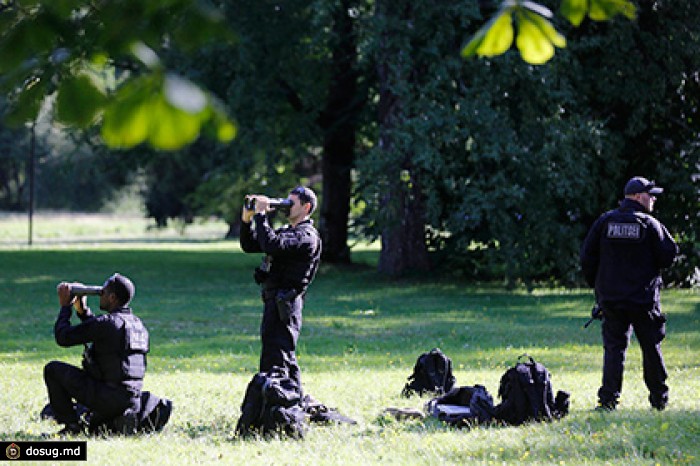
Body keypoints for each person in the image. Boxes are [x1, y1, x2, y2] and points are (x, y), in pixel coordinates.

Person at [580, 176, 678, 411]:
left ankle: (608, 401)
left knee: (614, 350)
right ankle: (659, 399)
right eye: (649, 194)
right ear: (635, 196)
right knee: (651, 349)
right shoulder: (650, 224)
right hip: (643, 301)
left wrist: (599, 287)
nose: (653, 199)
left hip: (611, 300)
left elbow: (587, 256)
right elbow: (669, 256)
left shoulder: (605, 222)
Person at [43, 273, 149, 435]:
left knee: (53, 370)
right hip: (132, 399)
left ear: (112, 298)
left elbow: (63, 337)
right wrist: (83, 311)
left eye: (103, 292)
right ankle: (116, 419)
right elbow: (103, 333)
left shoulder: (108, 323)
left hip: (107, 396)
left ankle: (72, 427)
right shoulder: (137, 325)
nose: (100, 295)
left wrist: (66, 307)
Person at [239, 186, 322, 390]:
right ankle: (280, 401)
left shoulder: (306, 236)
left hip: (287, 303)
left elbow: (272, 245)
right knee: (272, 353)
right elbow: (250, 245)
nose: (286, 207)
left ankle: (286, 402)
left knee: (281, 355)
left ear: (306, 207)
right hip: (272, 300)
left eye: (291, 203)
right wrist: (246, 219)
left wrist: (261, 215)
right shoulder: (288, 231)